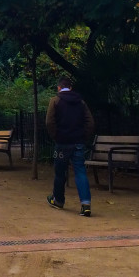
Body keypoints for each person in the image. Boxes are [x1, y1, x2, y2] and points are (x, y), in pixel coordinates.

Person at [45, 76, 95, 216]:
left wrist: (56, 136)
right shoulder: (81, 102)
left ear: (59, 88)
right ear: (71, 88)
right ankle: (85, 204)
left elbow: (49, 122)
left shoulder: (55, 101)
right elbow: (90, 123)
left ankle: (58, 200)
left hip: (62, 143)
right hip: (78, 142)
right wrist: (83, 137)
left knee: (60, 172)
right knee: (80, 171)